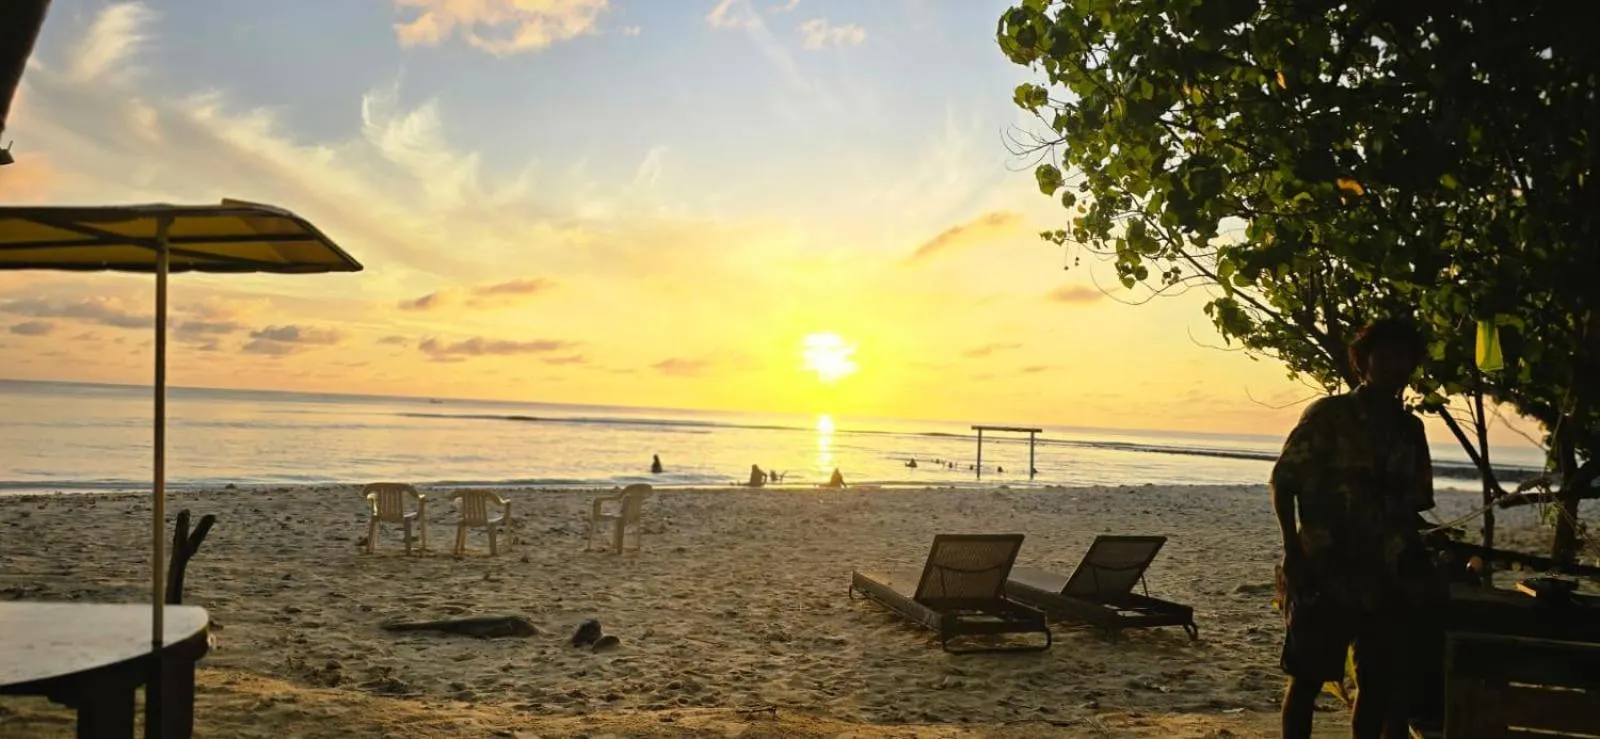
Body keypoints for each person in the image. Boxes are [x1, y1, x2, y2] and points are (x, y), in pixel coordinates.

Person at [1272, 318, 1439, 739]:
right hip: (1324, 572)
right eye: (1384, 356)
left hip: (1386, 578)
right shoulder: (1329, 415)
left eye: (1403, 358)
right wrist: (1293, 552)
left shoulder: (1410, 430)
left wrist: (1418, 563)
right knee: (1306, 680)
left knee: (1377, 687)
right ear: (1363, 363)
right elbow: (1284, 482)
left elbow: (1410, 507)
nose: (1394, 366)